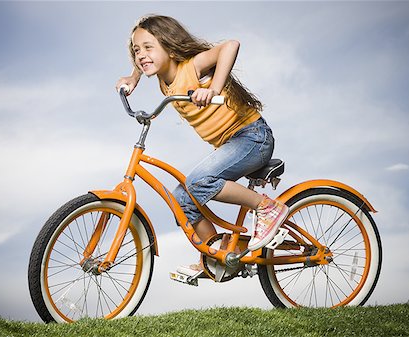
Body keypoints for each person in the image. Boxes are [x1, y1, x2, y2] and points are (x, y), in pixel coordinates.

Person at [116, 15, 289, 275]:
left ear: (170, 48)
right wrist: (133, 77)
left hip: (252, 137)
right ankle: (216, 256)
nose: (141, 55)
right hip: (230, 144)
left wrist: (214, 89)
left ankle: (266, 207)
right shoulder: (165, 79)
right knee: (182, 199)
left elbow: (231, 45)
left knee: (198, 181)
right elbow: (145, 63)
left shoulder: (192, 67)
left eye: (148, 47)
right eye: (136, 50)